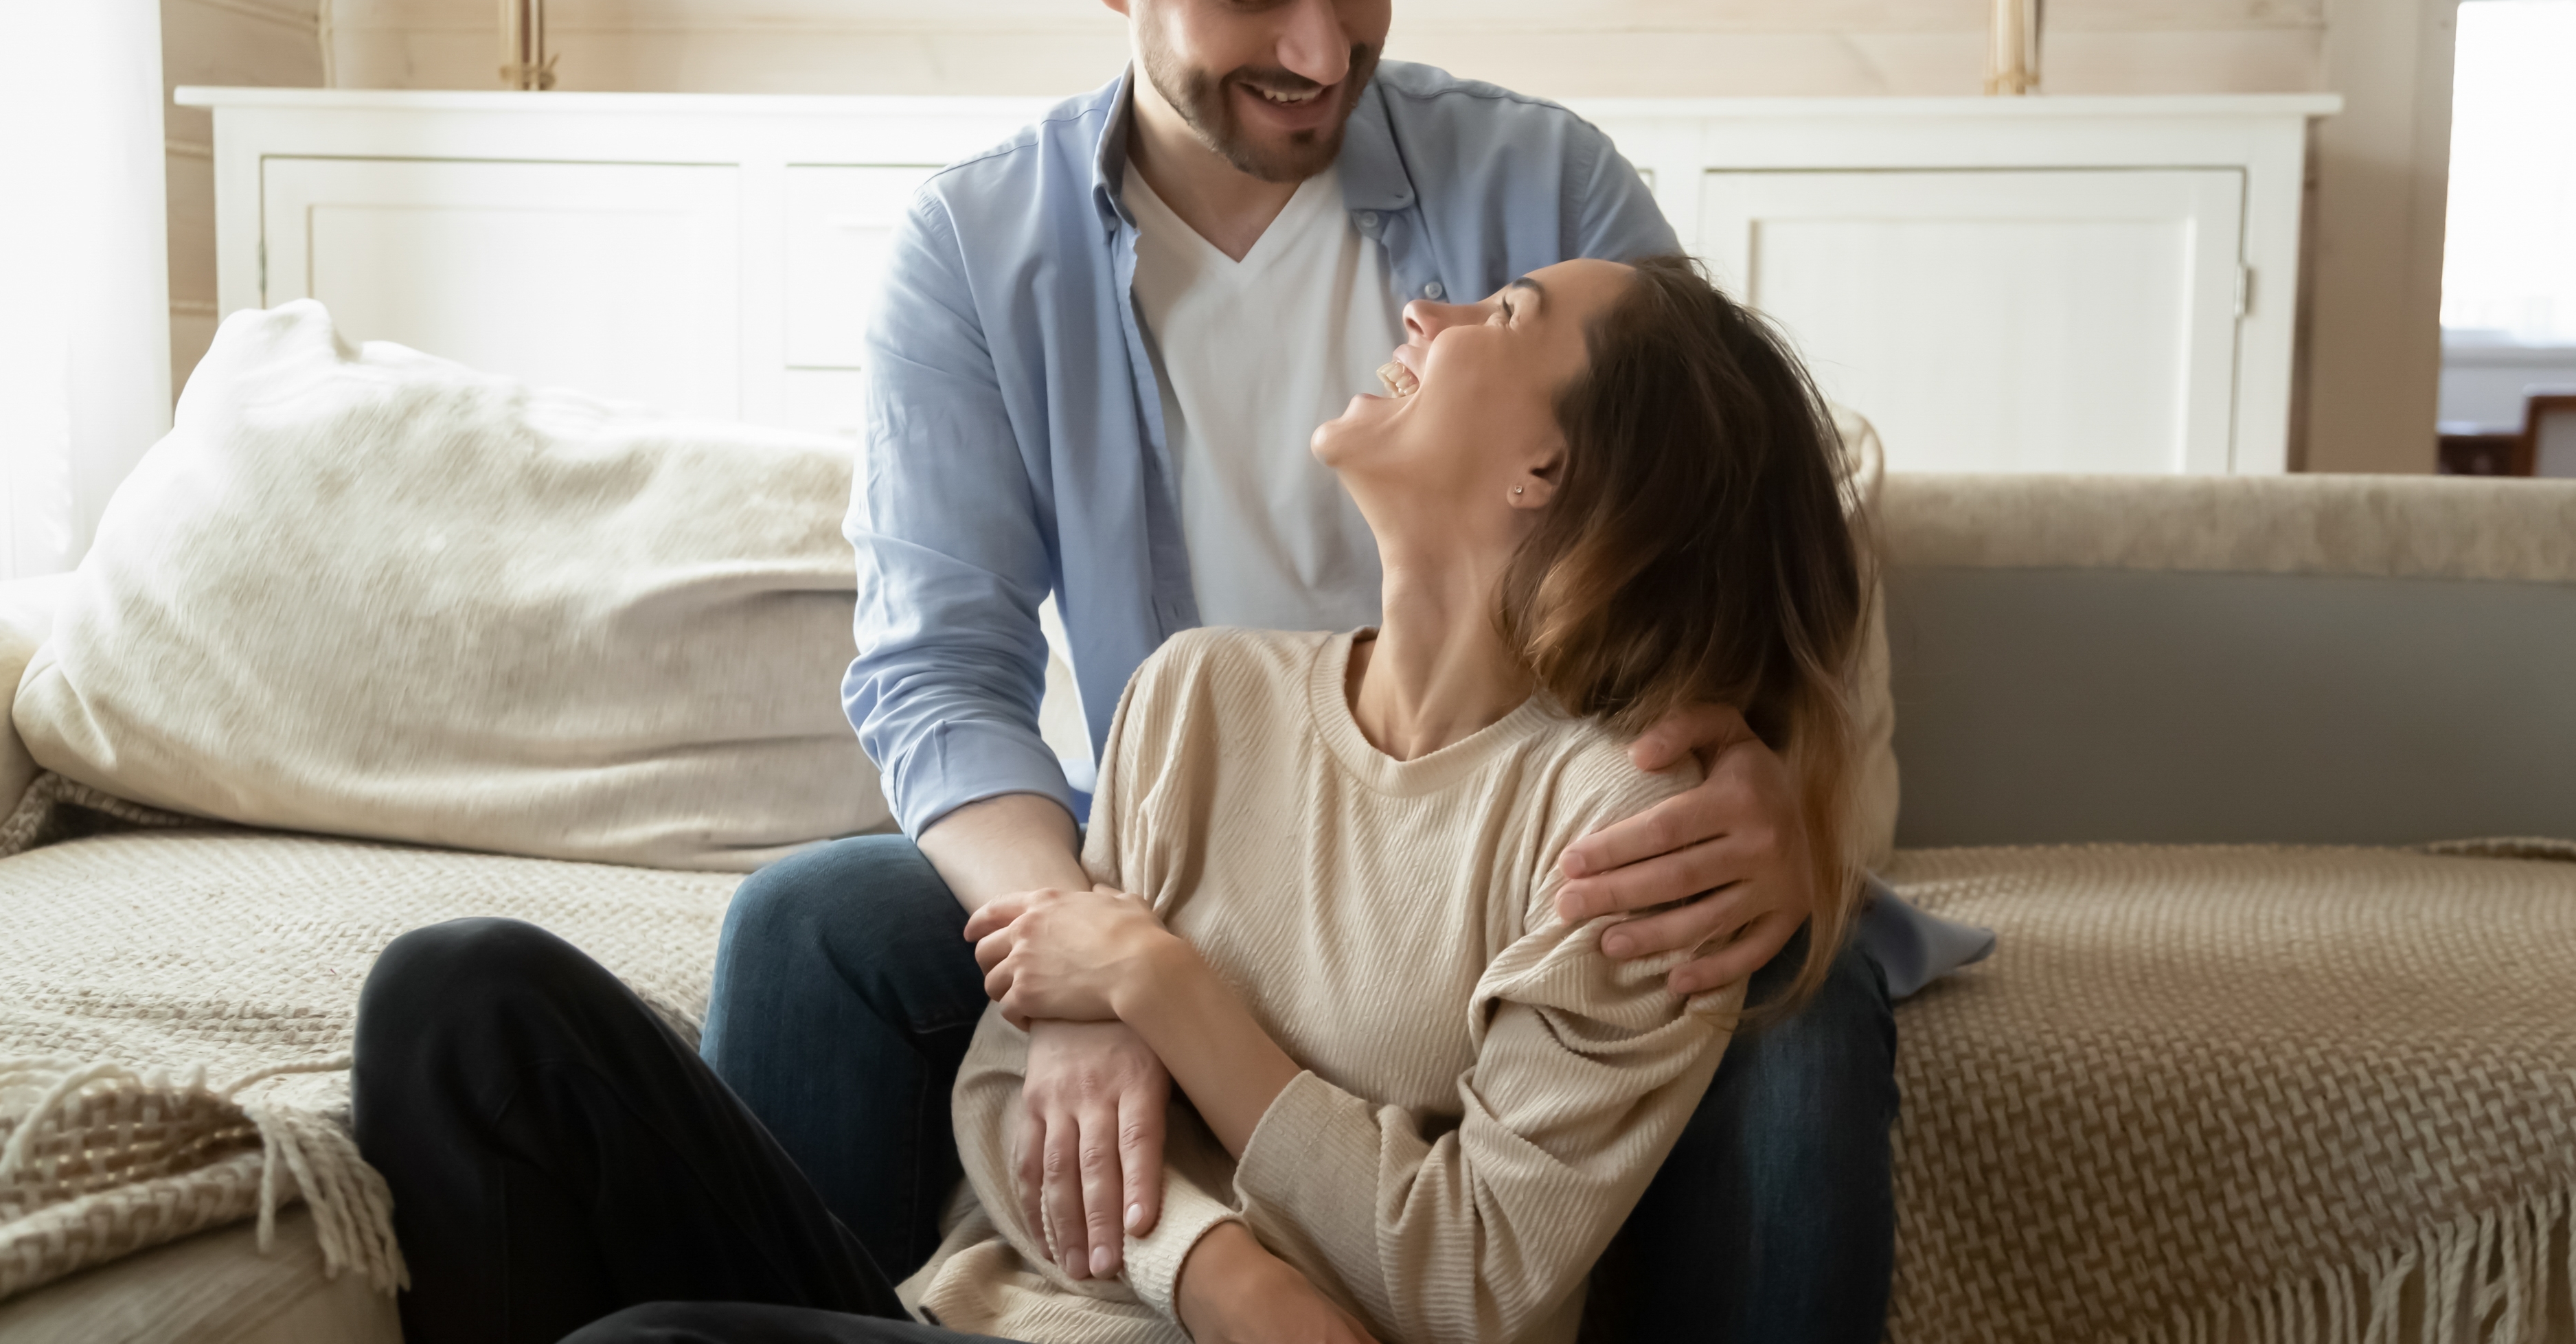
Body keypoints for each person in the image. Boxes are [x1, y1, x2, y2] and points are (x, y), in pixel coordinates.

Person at [700, 0, 1926, 1338]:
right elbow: (937, 672)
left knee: (1789, 1003)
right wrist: (1094, 956)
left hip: (1494, 866)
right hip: (1184, 861)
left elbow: (1733, 523)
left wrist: (1775, 787)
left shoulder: (1546, 189)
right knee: (807, 926)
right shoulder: (973, 253)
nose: (1322, 50)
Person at [351, 254, 1873, 1344]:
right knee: (462, 998)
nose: (1431, 310)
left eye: (1507, 312)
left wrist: (1159, 982)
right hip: (976, 1312)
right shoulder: (1197, 698)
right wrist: (1222, 1271)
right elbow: (1009, 1097)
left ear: (1547, 463)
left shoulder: (1627, 842)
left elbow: (1466, 1278)